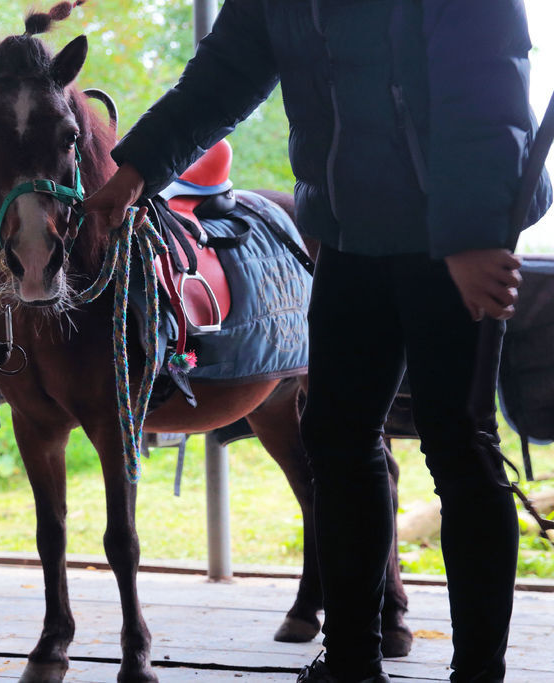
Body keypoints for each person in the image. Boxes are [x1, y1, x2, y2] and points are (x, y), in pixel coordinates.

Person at [83, 1, 552, 681]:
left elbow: (484, 85)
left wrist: (472, 234)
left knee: (458, 441)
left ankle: (479, 672)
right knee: (335, 435)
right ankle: (353, 661)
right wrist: (136, 169)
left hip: (451, 237)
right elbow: (224, 74)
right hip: (351, 232)